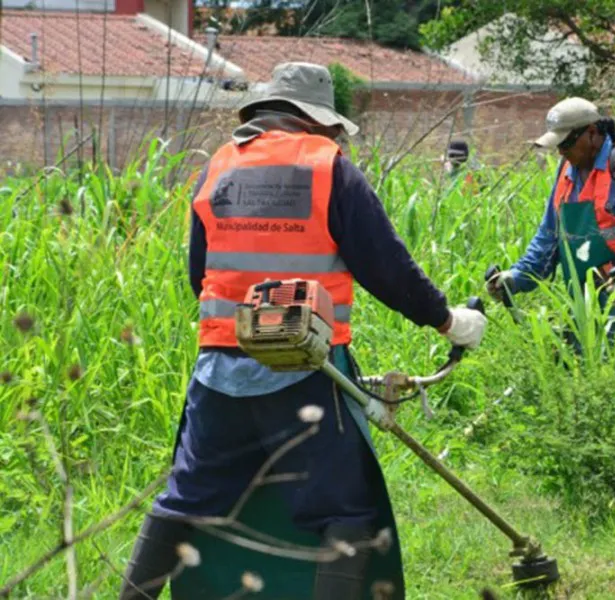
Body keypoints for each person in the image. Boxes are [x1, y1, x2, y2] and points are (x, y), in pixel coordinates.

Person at [119, 62, 487, 600]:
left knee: (186, 500)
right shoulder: (330, 168)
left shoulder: (218, 166)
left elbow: (200, 274)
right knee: (347, 509)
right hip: (306, 370)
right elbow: (387, 268)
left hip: (219, 369)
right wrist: (448, 321)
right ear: (318, 121)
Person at [487, 97, 615, 346]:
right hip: (581, 303)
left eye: (566, 143)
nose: (561, 152)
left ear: (591, 133)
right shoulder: (566, 172)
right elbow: (549, 237)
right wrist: (515, 277)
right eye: (558, 145)